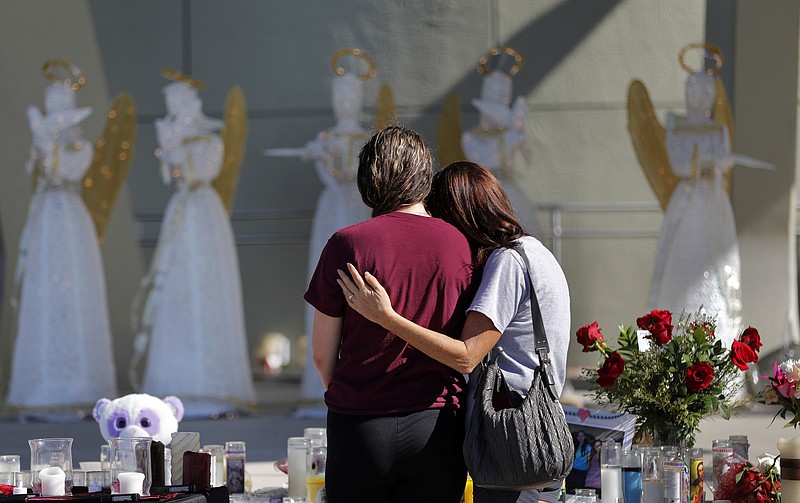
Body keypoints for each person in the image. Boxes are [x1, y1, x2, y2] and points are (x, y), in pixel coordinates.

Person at [337, 161, 571, 503]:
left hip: (508, 437)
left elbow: (466, 355)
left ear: (460, 216)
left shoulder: (507, 262)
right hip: (535, 434)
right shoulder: (538, 252)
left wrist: (386, 316)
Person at [304, 125, 475, 503]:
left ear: (368, 178)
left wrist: (350, 394)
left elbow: (321, 354)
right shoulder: (458, 243)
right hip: (437, 425)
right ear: (423, 176)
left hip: (360, 422)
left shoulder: (347, 243)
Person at [131, 71, 255, 417]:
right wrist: (167, 148)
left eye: (177, 104)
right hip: (182, 210)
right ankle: (177, 382)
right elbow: (171, 175)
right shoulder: (178, 139)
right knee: (177, 287)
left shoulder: (210, 140)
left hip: (202, 210)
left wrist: (176, 147)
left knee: (208, 286)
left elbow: (203, 170)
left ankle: (215, 385)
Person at [7, 61, 118, 412]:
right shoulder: (49, 141)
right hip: (46, 216)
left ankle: (79, 386)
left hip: (69, 215)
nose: (53, 105)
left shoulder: (78, 145)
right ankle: (40, 388)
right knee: (44, 290)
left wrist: (46, 138)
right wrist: (41, 140)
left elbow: (63, 170)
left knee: (73, 288)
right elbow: (38, 172)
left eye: (58, 100)